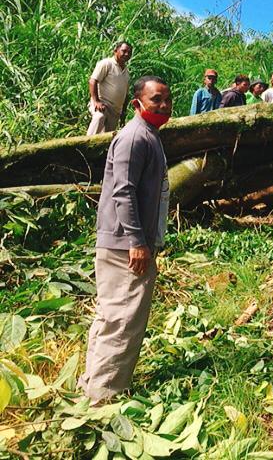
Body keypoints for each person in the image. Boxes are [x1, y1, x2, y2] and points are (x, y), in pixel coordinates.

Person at [78, 76, 173, 403]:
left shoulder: (149, 136)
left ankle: (92, 383)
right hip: (125, 246)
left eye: (166, 100)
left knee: (110, 316)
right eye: (155, 99)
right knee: (123, 320)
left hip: (125, 242)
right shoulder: (135, 137)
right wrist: (137, 241)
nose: (162, 105)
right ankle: (105, 396)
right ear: (137, 103)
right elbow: (123, 192)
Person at [86, 41, 132, 135]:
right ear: (115, 51)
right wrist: (96, 101)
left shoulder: (126, 72)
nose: (126, 54)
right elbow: (93, 81)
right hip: (103, 105)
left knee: (107, 137)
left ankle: (102, 150)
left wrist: (123, 113)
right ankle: (85, 147)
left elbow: (126, 95)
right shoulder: (107, 64)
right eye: (124, 51)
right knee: (99, 118)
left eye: (129, 52)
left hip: (115, 111)